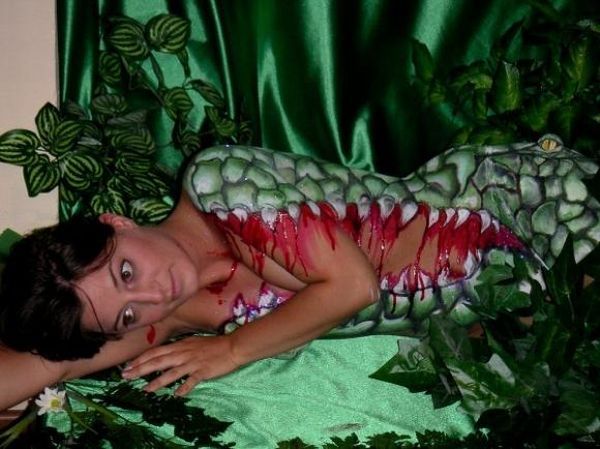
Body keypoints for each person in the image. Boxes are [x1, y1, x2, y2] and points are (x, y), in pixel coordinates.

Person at [1, 136, 599, 412]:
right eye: (128, 313)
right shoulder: (173, 314)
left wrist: (231, 349)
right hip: (509, 301)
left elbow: (353, 286)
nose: (155, 294)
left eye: (127, 271)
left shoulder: (218, 180)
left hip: (506, 209)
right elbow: (50, 364)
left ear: (116, 222)